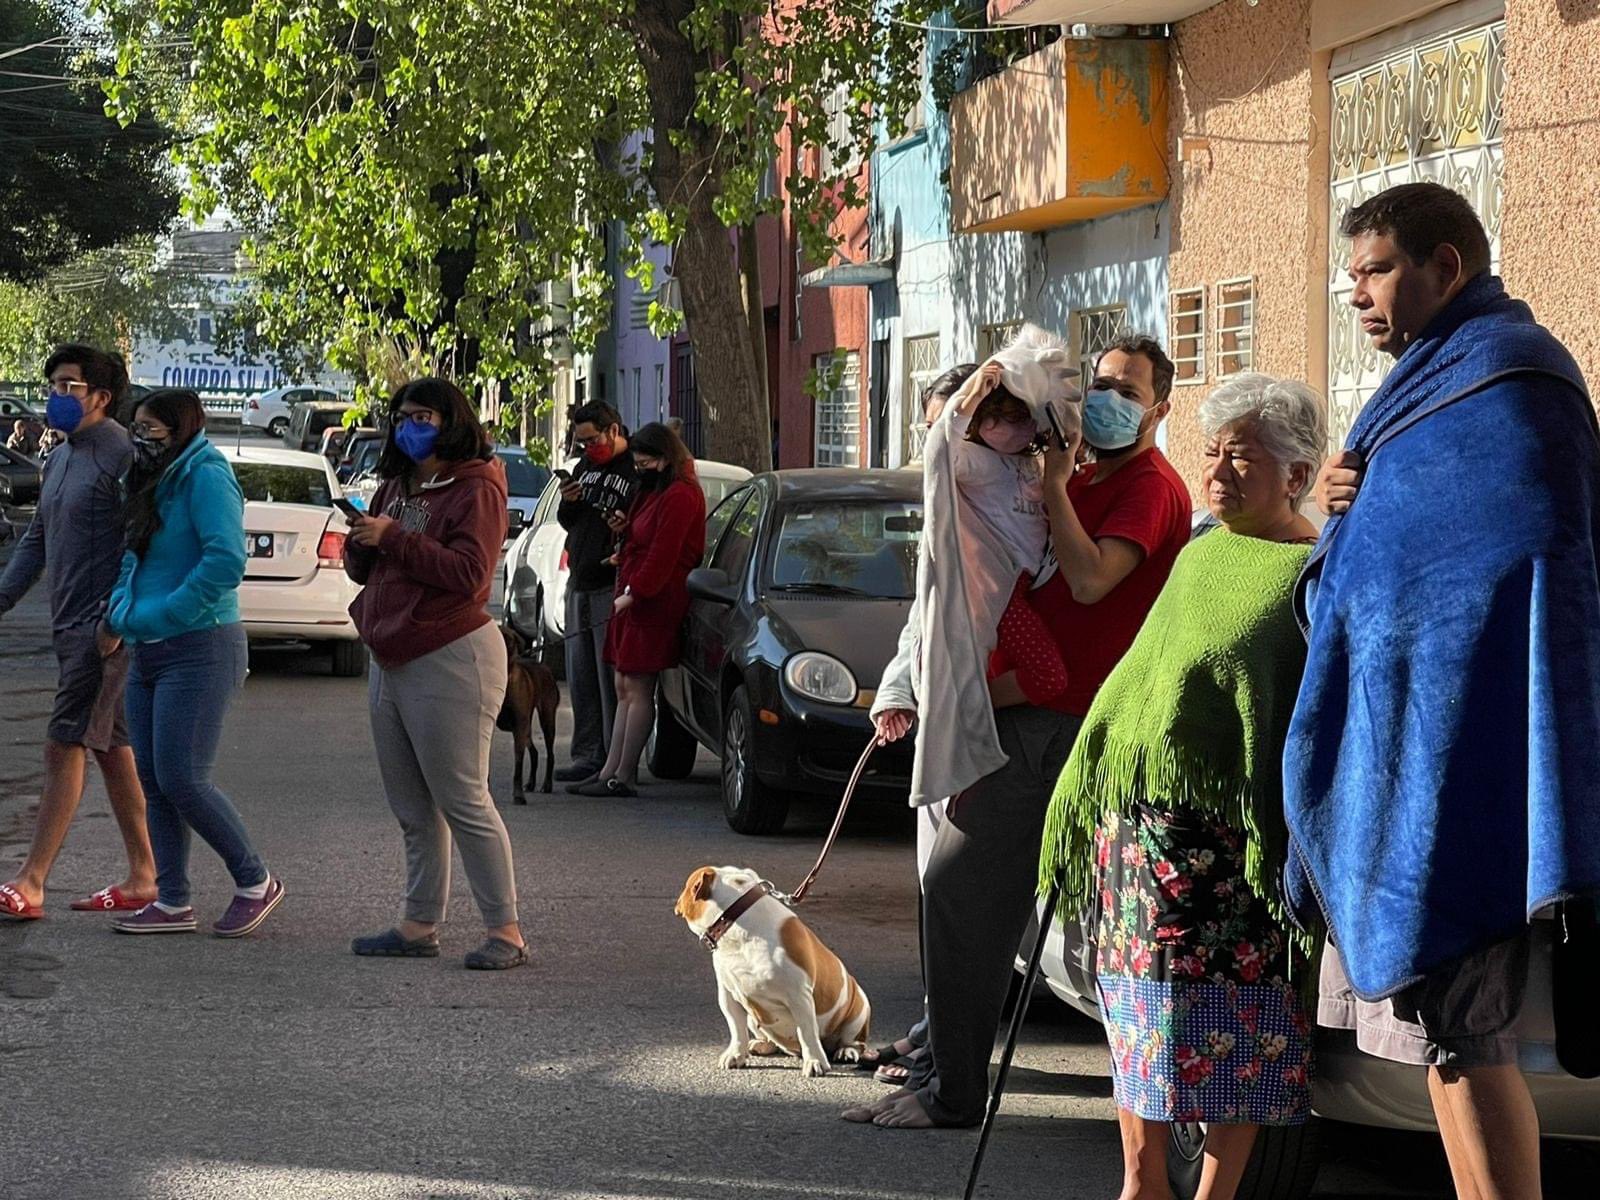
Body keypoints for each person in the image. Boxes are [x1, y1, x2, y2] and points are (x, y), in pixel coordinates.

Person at [1288, 182, 1600, 1200]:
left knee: (1471, 1036)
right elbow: (1372, 568)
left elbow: (1528, 564)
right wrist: (1337, 511)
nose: (1360, 297)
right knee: (1451, 1044)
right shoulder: (1409, 398)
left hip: (1477, 760)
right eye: (1351, 281)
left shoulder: (1517, 380)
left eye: (1376, 272)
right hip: (1407, 758)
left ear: (1445, 267)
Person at [846, 333, 1192, 1129]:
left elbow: (1088, 577)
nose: (1109, 399)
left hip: (1060, 727)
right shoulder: (1085, 474)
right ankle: (944, 1067)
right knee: (965, 902)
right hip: (1019, 711)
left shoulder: (1147, 486)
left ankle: (953, 1093)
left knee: (963, 893)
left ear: (1162, 408)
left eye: (1129, 391)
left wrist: (1059, 486)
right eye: (1100, 382)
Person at [1041, 373, 1325, 1199]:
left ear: (1298, 475)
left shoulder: (1309, 575)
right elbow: (1143, 681)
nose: (1219, 469)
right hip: (1142, 841)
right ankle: (1141, 1182)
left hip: (1238, 850)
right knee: (1137, 1014)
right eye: (1212, 452)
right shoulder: (1200, 552)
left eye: (1242, 455)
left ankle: (1214, 1193)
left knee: (1243, 1026)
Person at [344, 378, 526, 969]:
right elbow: (364, 569)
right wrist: (365, 541)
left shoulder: (477, 486)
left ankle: (506, 933)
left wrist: (395, 537)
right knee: (412, 807)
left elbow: (471, 574)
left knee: (464, 799)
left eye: (423, 415)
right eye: (402, 416)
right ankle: (418, 924)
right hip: (390, 653)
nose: (411, 425)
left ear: (451, 420)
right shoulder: (396, 484)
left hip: (450, 652)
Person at [102, 389, 283, 937]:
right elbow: (134, 555)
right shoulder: (150, 479)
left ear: (181, 427)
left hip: (201, 644)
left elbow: (225, 559)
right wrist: (120, 612)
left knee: (184, 777)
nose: (142, 436)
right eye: (137, 426)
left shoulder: (206, 474)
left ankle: (256, 880)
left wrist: (164, 612)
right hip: (149, 646)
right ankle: (173, 899)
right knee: (155, 779)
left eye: (153, 427)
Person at [0, 346, 156, 922]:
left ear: (101, 396)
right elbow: (37, 539)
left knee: (63, 741)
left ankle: (31, 879)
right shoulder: (62, 457)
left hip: (104, 635)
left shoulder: (123, 457)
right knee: (113, 749)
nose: (56, 396)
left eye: (69, 386)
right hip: (68, 629)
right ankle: (145, 875)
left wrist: (114, 619)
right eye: (54, 385)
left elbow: (140, 544)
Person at [864, 361, 979, 1087]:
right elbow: (923, 619)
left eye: (948, 430)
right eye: (928, 429)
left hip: (985, 732)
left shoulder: (1015, 505)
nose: (934, 444)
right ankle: (937, 1026)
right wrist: (896, 689)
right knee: (935, 892)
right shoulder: (947, 505)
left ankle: (952, 1057)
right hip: (936, 723)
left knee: (963, 897)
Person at [574, 422, 705, 798]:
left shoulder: (681, 495)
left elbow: (666, 552)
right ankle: (609, 770)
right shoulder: (654, 490)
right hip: (634, 592)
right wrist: (624, 530)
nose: (640, 468)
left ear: (665, 459)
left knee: (637, 686)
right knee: (623, 684)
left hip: (654, 599)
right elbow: (646, 536)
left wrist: (637, 591)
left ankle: (623, 774)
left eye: (646, 462)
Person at [555, 401, 637, 787]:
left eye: (593, 440)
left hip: (612, 580)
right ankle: (586, 754)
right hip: (580, 577)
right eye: (581, 442)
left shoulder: (636, 468)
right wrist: (569, 500)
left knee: (609, 677)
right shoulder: (586, 467)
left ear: (614, 431)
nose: (588, 449)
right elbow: (567, 521)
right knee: (581, 674)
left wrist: (625, 524)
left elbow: (645, 523)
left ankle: (610, 756)